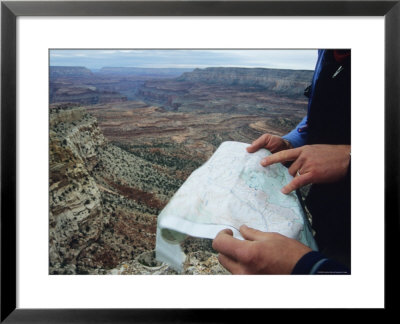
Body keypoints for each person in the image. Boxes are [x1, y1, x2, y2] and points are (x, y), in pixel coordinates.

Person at [212, 49, 351, 274]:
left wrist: (350, 158)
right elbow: (320, 115)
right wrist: (290, 143)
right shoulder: (327, 51)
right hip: (330, 222)